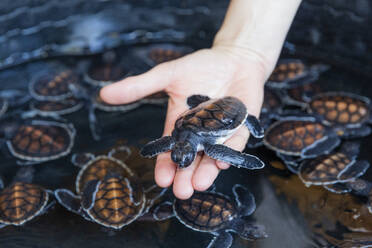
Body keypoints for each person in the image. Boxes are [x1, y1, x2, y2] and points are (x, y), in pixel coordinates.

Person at [100, 0, 302, 199]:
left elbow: (223, 152)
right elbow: (165, 144)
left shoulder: (208, 145)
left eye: (181, 158)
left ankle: (246, 118)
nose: (181, 162)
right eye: (180, 159)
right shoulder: (176, 137)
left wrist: (241, 159)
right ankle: (208, 103)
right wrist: (239, 49)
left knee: (224, 153)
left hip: (231, 110)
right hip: (208, 107)